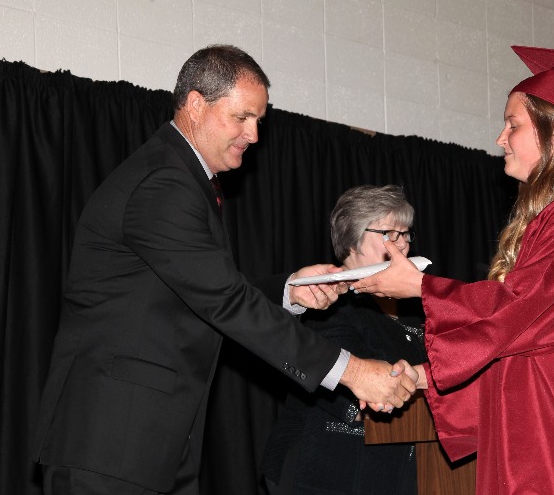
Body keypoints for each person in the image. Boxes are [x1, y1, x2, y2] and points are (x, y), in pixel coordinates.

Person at [33, 45, 415, 495]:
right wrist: (352, 371)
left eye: (259, 121)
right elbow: (224, 300)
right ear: (196, 105)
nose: (254, 136)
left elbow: (198, 292)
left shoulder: (185, 179)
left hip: (149, 445)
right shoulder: (165, 182)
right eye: (242, 118)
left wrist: (290, 291)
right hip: (112, 445)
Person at [352, 46, 554, 494]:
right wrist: (421, 377)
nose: (500, 138)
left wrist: (421, 286)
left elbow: (523, 311)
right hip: (550, 442)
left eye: (513, 124)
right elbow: (525, 350)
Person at [263, 185, 427, 495]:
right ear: (352, 241)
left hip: (397, 472)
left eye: (406, 234)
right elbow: (355, 385)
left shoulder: (413, 309)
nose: (402, 245)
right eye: (390, 234)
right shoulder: (323, 298)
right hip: (323, 469)